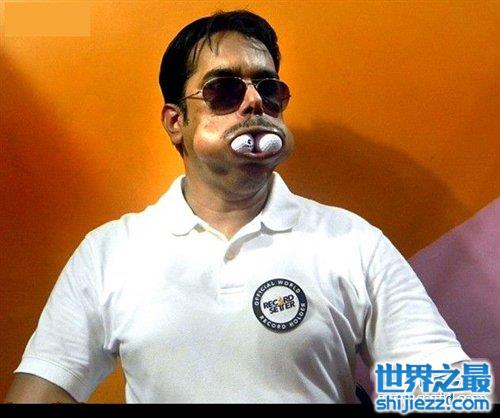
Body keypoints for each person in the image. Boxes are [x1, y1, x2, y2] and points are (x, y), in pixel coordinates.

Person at [5, 10, 470, 404]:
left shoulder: (353, 242)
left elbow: (443, 387)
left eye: (269, 90)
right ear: (176, 122)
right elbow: (42, 389)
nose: (254, 102)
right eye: (224, 91)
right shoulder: (110, 252)